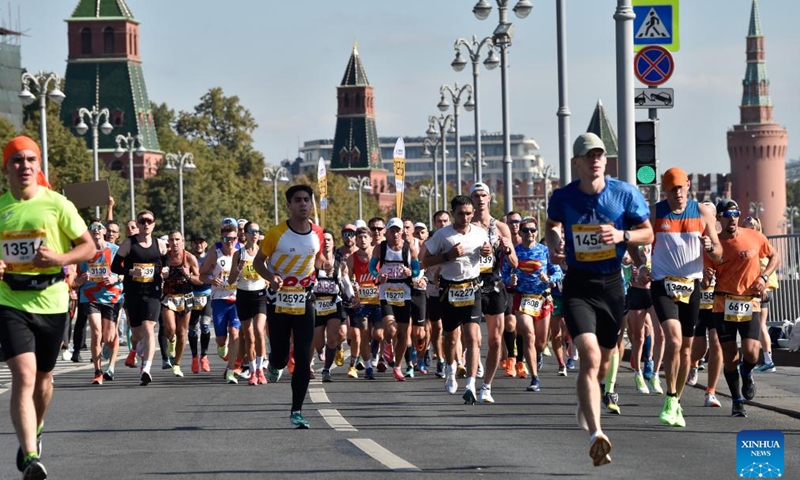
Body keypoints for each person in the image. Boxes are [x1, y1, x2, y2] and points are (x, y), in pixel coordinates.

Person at [545, 132, 653, 466]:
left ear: (606, 161)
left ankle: (586, 397)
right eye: (588, 155)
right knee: (590, 357)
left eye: (600, 155)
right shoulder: (563, 197)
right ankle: (597, 434)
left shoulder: (624, 193)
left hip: (611, 286)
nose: (595, 160)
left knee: (606, 362)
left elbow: (648, 232)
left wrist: (622, 235)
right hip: (578, 284)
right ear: (576, 162)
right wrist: (554, 243)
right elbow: (551, 225)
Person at [0, 136, 95, 478]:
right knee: (23, 376)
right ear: (6, 167)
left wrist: (60, 257)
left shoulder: (57, 205)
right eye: (16, 160)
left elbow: (88, 247)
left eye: (30, 160)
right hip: (10, 300)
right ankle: (29, 457)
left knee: (43, 381)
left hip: (52, 300)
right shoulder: (0, 210)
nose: (23, 166)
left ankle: (36, 429)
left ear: (38, 166)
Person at [641, 167, 721, 428]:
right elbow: (635, 238)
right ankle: (670, 397)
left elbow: (719, 251)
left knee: (687, 349)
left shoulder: (702, 212)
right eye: (672, 188)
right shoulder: (655, 212)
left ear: (688, 185)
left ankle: (676, 400)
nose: (678, 192)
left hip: (692, 285)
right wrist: (642, 263)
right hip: (663, 284)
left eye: (681, 187)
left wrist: (711, 247)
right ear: (665, 190)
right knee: (673, 340)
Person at [253, 184, 327, 429]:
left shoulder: (317, 232)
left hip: (305, 300)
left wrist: (326, 264)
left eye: (307, 200)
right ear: (289, 205)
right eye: (298, 200)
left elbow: (318, 257)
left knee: (304, 357)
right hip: (278, 301)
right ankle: (275, 363)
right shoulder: (276, 233)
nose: (303, 204)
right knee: (281, 356)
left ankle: (297, 411)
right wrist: (270, 277)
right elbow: (258, 262)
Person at [712, 199, 780, 417]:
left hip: (749, 302)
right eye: (727, 214)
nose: (732, 217)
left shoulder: (754, 236)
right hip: (723, 304)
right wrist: (706, 279)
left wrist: (764, 276)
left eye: (735, 213)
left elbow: (774, 256)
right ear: (718, 218)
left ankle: (747, 372)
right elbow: (705, 277)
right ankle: (736, 400)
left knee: (751, 352)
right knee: (730, 355)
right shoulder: (713, 245)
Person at [421, 195, 492, 404]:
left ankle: (470, 383)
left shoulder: (480, 233)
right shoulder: (442, 235)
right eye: (461, 213)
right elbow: (424, 262)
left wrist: (488, 252)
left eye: (469, 213)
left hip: (472, 287)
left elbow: (488, 257)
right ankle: (451, 371)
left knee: (472, 336)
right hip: (449, 289)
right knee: (451, 338)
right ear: (453, 213)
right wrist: (447, 255)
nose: (466, 217)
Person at [470, 183, 517, 404]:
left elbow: (514, 262)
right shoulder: (465, 225)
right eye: (476, 196)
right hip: (470, 284)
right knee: (474, 338)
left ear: (490, 198)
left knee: (496, 341)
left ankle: (486, 387)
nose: (480, 199)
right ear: (471, 199)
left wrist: (506, 249)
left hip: (494, 284)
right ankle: (471, 373)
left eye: (483, 195)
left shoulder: (500, 227)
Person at [111, 210, 169, 386]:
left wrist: (165, 270)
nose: (146, 224)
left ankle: (146, 368)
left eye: (149, 221)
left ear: (153, 224)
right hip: (134, 292)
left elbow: (166, 261)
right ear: (138, 224)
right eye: (142, 221)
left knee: (149, 328)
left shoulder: (159, 244)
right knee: (136, 333)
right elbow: (114, 267)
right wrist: (130, 271)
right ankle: (136, 349)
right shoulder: (129, 244)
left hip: (153, 292)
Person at [511, 217, 562, 392]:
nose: (529, 234)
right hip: (522, 297)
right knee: (529, 335)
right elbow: (504, 273)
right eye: (525, 230)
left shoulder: (544, 251)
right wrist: (510, 279)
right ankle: (534, 377)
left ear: (537, 232)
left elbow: (558, 272)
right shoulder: (515, 252)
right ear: (520, 232)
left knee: (540, 342)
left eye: (533, 230)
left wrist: (549, 279)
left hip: (542, 298)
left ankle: (538, 354)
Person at [74, 219, 124, 384]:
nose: (96, 230)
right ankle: (97, 371)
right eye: (92, 228)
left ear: (104, 231)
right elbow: (76, 281)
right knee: (96, 332)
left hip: (111, 296)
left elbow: (125, 274)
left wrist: (114, 277)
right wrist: (82, 279)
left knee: (109, 336)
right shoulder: (84, 253)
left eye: (99, 227)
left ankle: (111, 363)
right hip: (90, 296)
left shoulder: (115, 250)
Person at [373, 217, 419, 381]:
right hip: (387, 293)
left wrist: (411, 273)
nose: (395, 234)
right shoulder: (381, 248)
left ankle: (398, 367)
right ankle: (386, 343)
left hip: (404, 294)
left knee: (402, 335)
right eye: (392, 230)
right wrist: (378, 276)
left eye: (397, 230)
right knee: (391, 329)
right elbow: (372, 267)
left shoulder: (410, 249)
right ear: (387, 232)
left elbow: (417, 270)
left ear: (402, 232)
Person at [228, 221, 269, 386]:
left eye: (257, 231)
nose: (254, 234)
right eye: (251, 231)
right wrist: (239, 268)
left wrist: (269, 280)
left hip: (259, 296)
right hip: (244, 296)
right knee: (249, 336)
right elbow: (231, 280)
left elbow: (270, 274)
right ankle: (252, 371)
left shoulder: (264, 253)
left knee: (259, 331)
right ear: (245, 234)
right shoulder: (239, 254)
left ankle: (260, 369)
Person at [160, 231, 201, 378]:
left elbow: (199, 280)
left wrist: (188, 275)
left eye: (177, 239)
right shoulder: (164, 257)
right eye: (172, 240)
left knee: (182, 332)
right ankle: (171, 341)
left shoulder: (189, 258)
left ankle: (177, 364)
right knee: (170, 328)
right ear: (168, 242)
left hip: (185, 297)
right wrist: (161, 276)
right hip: (168, 296)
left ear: (182, 240)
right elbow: (155, 275)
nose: (175, 243)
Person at [742, 216, 779, 373]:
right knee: (757, 324)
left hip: (761, 289)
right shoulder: (756, 242)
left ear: (758, 228)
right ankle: (765, 359)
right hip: (762, 288)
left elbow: (762, 265)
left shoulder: (759, 243)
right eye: (745, 225)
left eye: (751, 225)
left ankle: (767, 360)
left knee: (759, 324)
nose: (748, 227)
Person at [188, 232, 213, 373]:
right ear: (192, 244)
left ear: (206, 244)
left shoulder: (210, 258)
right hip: (191, 296)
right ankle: (194, 357)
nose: (199, 245)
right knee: (192, 328)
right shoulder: (188, 258)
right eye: (196, 242)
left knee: (205, 325)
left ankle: (204, 356)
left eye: (201, 242)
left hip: (207, 295)